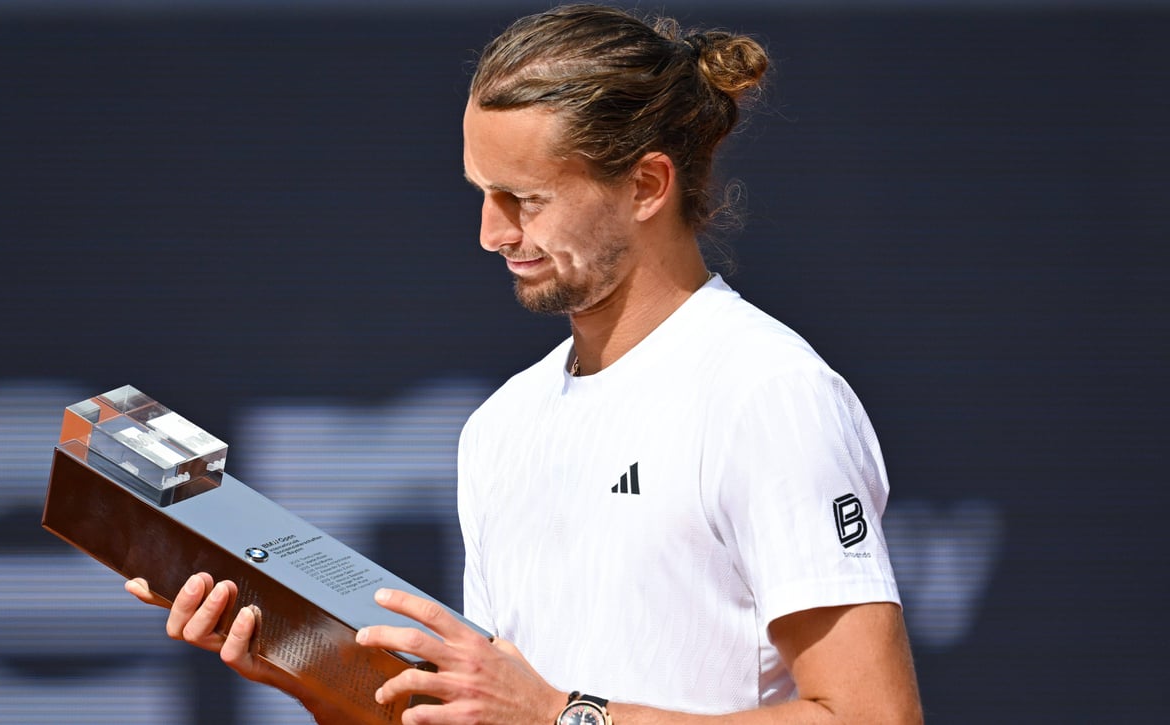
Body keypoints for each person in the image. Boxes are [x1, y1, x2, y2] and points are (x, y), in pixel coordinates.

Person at [127, 4, 923, 723]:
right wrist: (303, 669)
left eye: (525, 199)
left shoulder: (767, 392)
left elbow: (872, 717)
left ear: (646, 184)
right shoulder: (502, 423)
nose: (492, 233)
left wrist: (563, 716)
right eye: (480, 193)